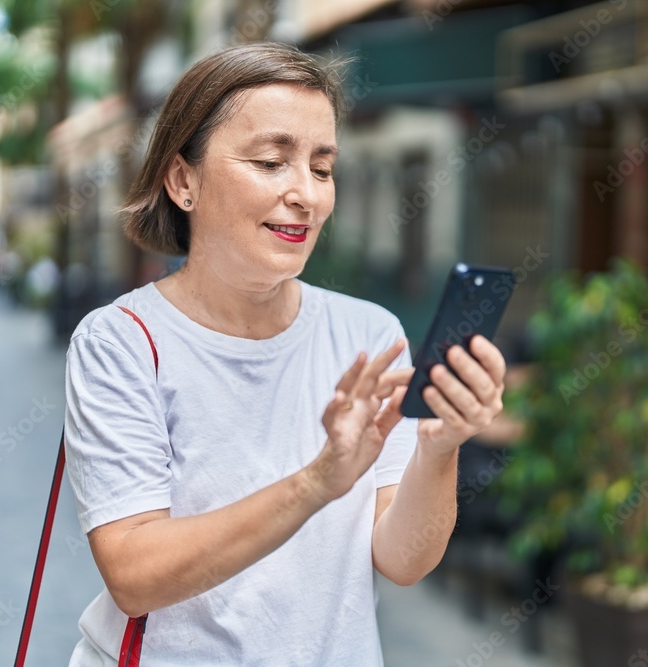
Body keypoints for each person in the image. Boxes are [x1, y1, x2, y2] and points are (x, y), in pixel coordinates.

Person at [63, 42, 506, 666]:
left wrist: (440, 445)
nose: (307, 194)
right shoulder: (122, 343)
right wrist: (317, 482)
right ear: (183, 180)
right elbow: (135, 577)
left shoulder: (370, 335)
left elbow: (403, 560)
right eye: (272, 161)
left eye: (322, 168)